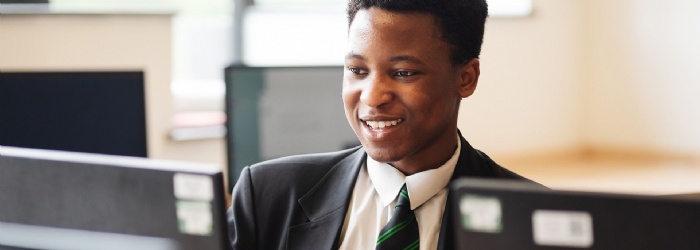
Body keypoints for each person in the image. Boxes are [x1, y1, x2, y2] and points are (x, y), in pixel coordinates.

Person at [227, 0, 544, 249]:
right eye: (357, 70)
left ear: (466, 78)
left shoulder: (532, 216)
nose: (373, 96)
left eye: (403, 73)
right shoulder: (267, 195)